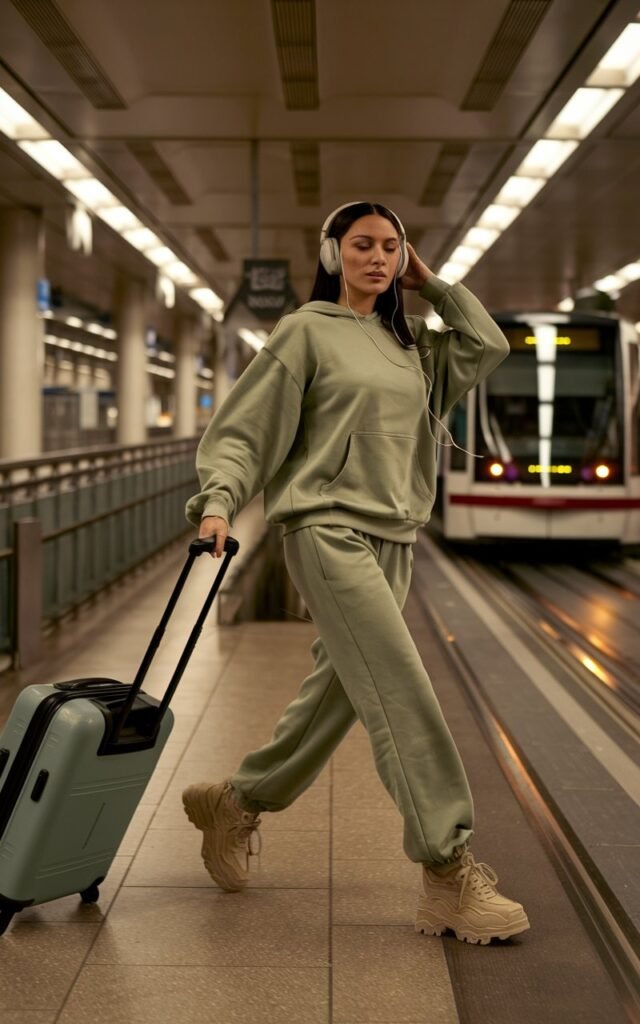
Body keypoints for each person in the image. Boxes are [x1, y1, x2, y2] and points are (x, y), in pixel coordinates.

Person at [182, 201, 530, 945]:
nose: (378, 257)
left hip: (392, 535)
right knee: (401, 689)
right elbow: (246, 428)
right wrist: (218, 503)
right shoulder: (305, 330)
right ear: (333, 253)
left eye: (391, 246)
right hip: (325, 528)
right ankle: (447, 870)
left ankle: (237, 800)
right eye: (362, 244)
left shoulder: (411, 349)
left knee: (339, 693)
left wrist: (431, 283)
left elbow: (488, 342)